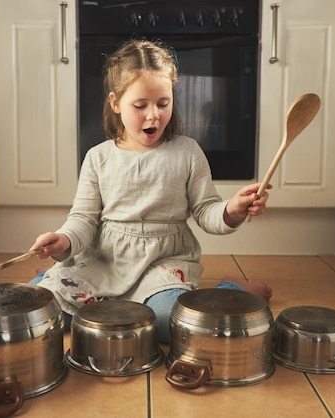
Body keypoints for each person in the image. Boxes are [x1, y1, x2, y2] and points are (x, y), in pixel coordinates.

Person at [28, 39, 272, 342]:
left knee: (170, 325)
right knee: (41, 312)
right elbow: (84, 219)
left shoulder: (187, 152)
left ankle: (232, 289)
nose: (154, 115)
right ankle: (56, 277)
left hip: (163, 262)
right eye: (140, 106)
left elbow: (207, 210)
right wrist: (63, 241)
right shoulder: (98, 157)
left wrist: (231, 210)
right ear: (116, 103)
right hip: (104, 261)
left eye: (163, 103)